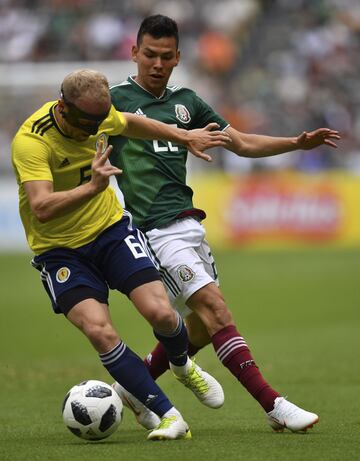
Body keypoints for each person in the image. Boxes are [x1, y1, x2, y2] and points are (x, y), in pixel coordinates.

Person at [109, 15, 341, 433]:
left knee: (197, 327)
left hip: (187, 224)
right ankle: (275, 406)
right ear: (134, 53)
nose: (157, 64)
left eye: (166, 56)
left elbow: (243, 142)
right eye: (149, 55)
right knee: (215, 309)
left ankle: (132, 386)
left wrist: (295, 142)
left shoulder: (189, 103)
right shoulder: (114, 102)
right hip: (155, 231)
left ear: (178, 57)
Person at [11, 69, 231, 441]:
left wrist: (183, 136)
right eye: (88, 123)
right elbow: (43, 206)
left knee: (162, 313)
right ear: (63, 108)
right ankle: (168, 414)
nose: (95, 128)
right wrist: (95, 186)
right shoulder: (32, 142)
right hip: (59, 251)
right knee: (100, 331)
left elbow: (130, 122)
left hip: (110, 231)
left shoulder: (97, 115)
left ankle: (180, 365)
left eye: (100, 121)